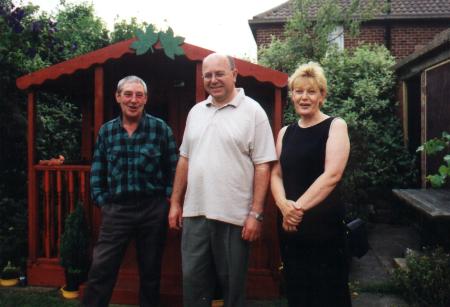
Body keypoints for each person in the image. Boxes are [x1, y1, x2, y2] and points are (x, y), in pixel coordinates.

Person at [168, 53, 277, 307]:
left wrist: (256, 214)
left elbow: (263, 165)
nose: (213, 80)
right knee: (193, 286)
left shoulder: (253, 112)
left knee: (232, 290)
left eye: (220, 74)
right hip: (195, 214)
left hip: (234, 217)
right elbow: (184, 159)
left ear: (234, 75)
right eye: (208, 75)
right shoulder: (196, 112)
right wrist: (175, 202)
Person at [83, 75, 178, 307]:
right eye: (127, 94)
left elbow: (174, 169)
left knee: (150, 272)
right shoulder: (107, 132)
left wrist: (165, 201)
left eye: (138, 95)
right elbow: (97, 170)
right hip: (117, 210)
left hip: (152, 209)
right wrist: (103, 202)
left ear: (145, 99)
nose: (133, 100)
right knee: (101, 270)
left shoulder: (160, 129)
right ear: (118, 97)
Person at [270, 62, 351, 307]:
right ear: (292, 95)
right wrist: (284, 206)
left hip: (323, 228)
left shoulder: (335, 126)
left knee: (328, 294)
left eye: (311, 91)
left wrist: (295, 210)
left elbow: (332, 175)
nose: (304, 97)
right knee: (297, 292)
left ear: (322, 96)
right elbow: (276, 174)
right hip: (291, 229)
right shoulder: (285, 132)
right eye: (299, 91)